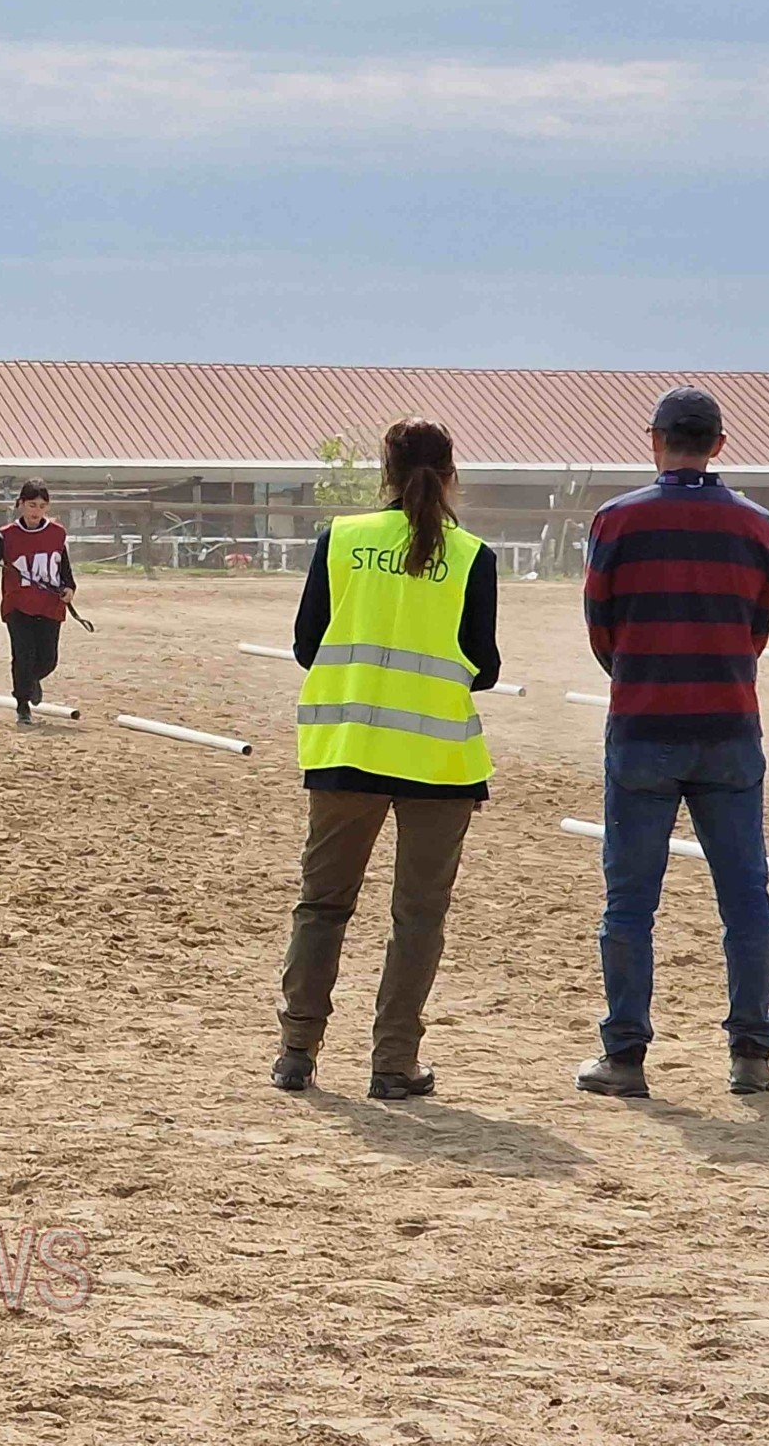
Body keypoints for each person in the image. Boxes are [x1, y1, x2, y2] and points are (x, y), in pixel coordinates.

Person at [273, 417, 499, 1099]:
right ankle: (393, 1062)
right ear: (452, 472)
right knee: (418, 917)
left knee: (322, 907)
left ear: (385, 472)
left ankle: (296, 1052)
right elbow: (482, 667)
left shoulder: (340, 539)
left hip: (347, 751)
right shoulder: (473, 555)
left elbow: (307, 644)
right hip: (438, 762)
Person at [576, 386, 769, 1099]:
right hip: (728, 726)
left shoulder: (616, 519)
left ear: (654, 439)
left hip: (644, 725)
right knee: (745, 897)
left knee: (630, 901)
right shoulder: (758, 527)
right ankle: (751, 1051)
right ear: (719, 444)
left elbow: (601, 627)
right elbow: (757, 630)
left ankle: (625, 1055)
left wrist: (640, 669)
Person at [0, 478, 76, 724]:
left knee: (48, 660)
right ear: (20, 504)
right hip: (18, 605)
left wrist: (69, 588)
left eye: (42, 506)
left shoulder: (57, 533)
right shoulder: (7, 535)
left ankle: (31, 682)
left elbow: (64, 567)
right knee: (23, 654)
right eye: (31, 505)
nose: (36, 511)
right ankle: (22, 705)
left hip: (50, 605)